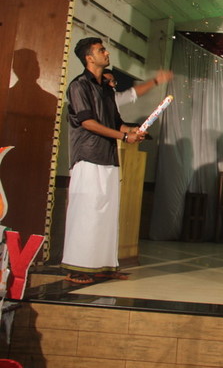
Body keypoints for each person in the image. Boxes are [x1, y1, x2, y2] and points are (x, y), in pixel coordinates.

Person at [63, 37, 145, 285]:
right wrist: (124, 136)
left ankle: (103, 266)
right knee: (86, 213)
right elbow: (87, 122)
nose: (106, 53)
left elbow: (116, 123)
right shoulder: (79, 86)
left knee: (107, 215)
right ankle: (76, 268)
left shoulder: (106, 89)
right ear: (89, 58)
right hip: (87, 157)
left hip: (109, 158)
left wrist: (133, 131)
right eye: (101, 50)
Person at [103, 69, 174, 108]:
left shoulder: (113, 97)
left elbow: (133, 93)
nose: (111, 84)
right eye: (107, 81)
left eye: (113, 81)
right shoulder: (101, 99)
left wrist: (156, 81)